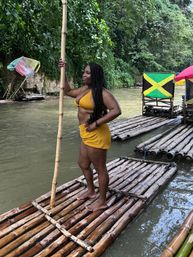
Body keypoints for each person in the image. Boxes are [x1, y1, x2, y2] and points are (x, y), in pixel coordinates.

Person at [59, 60, 121, 211]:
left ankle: (102, 201)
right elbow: (67, 91)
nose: (84, 75)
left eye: (87, 73)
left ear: (95, 76)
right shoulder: (85, 89)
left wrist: (96, 123)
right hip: (85, 133)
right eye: (84, 72)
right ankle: (91, 191)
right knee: (83, 164)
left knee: (100, 169)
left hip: (97, 134)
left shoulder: (103, 93)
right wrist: (63, 71)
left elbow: (116, 110)